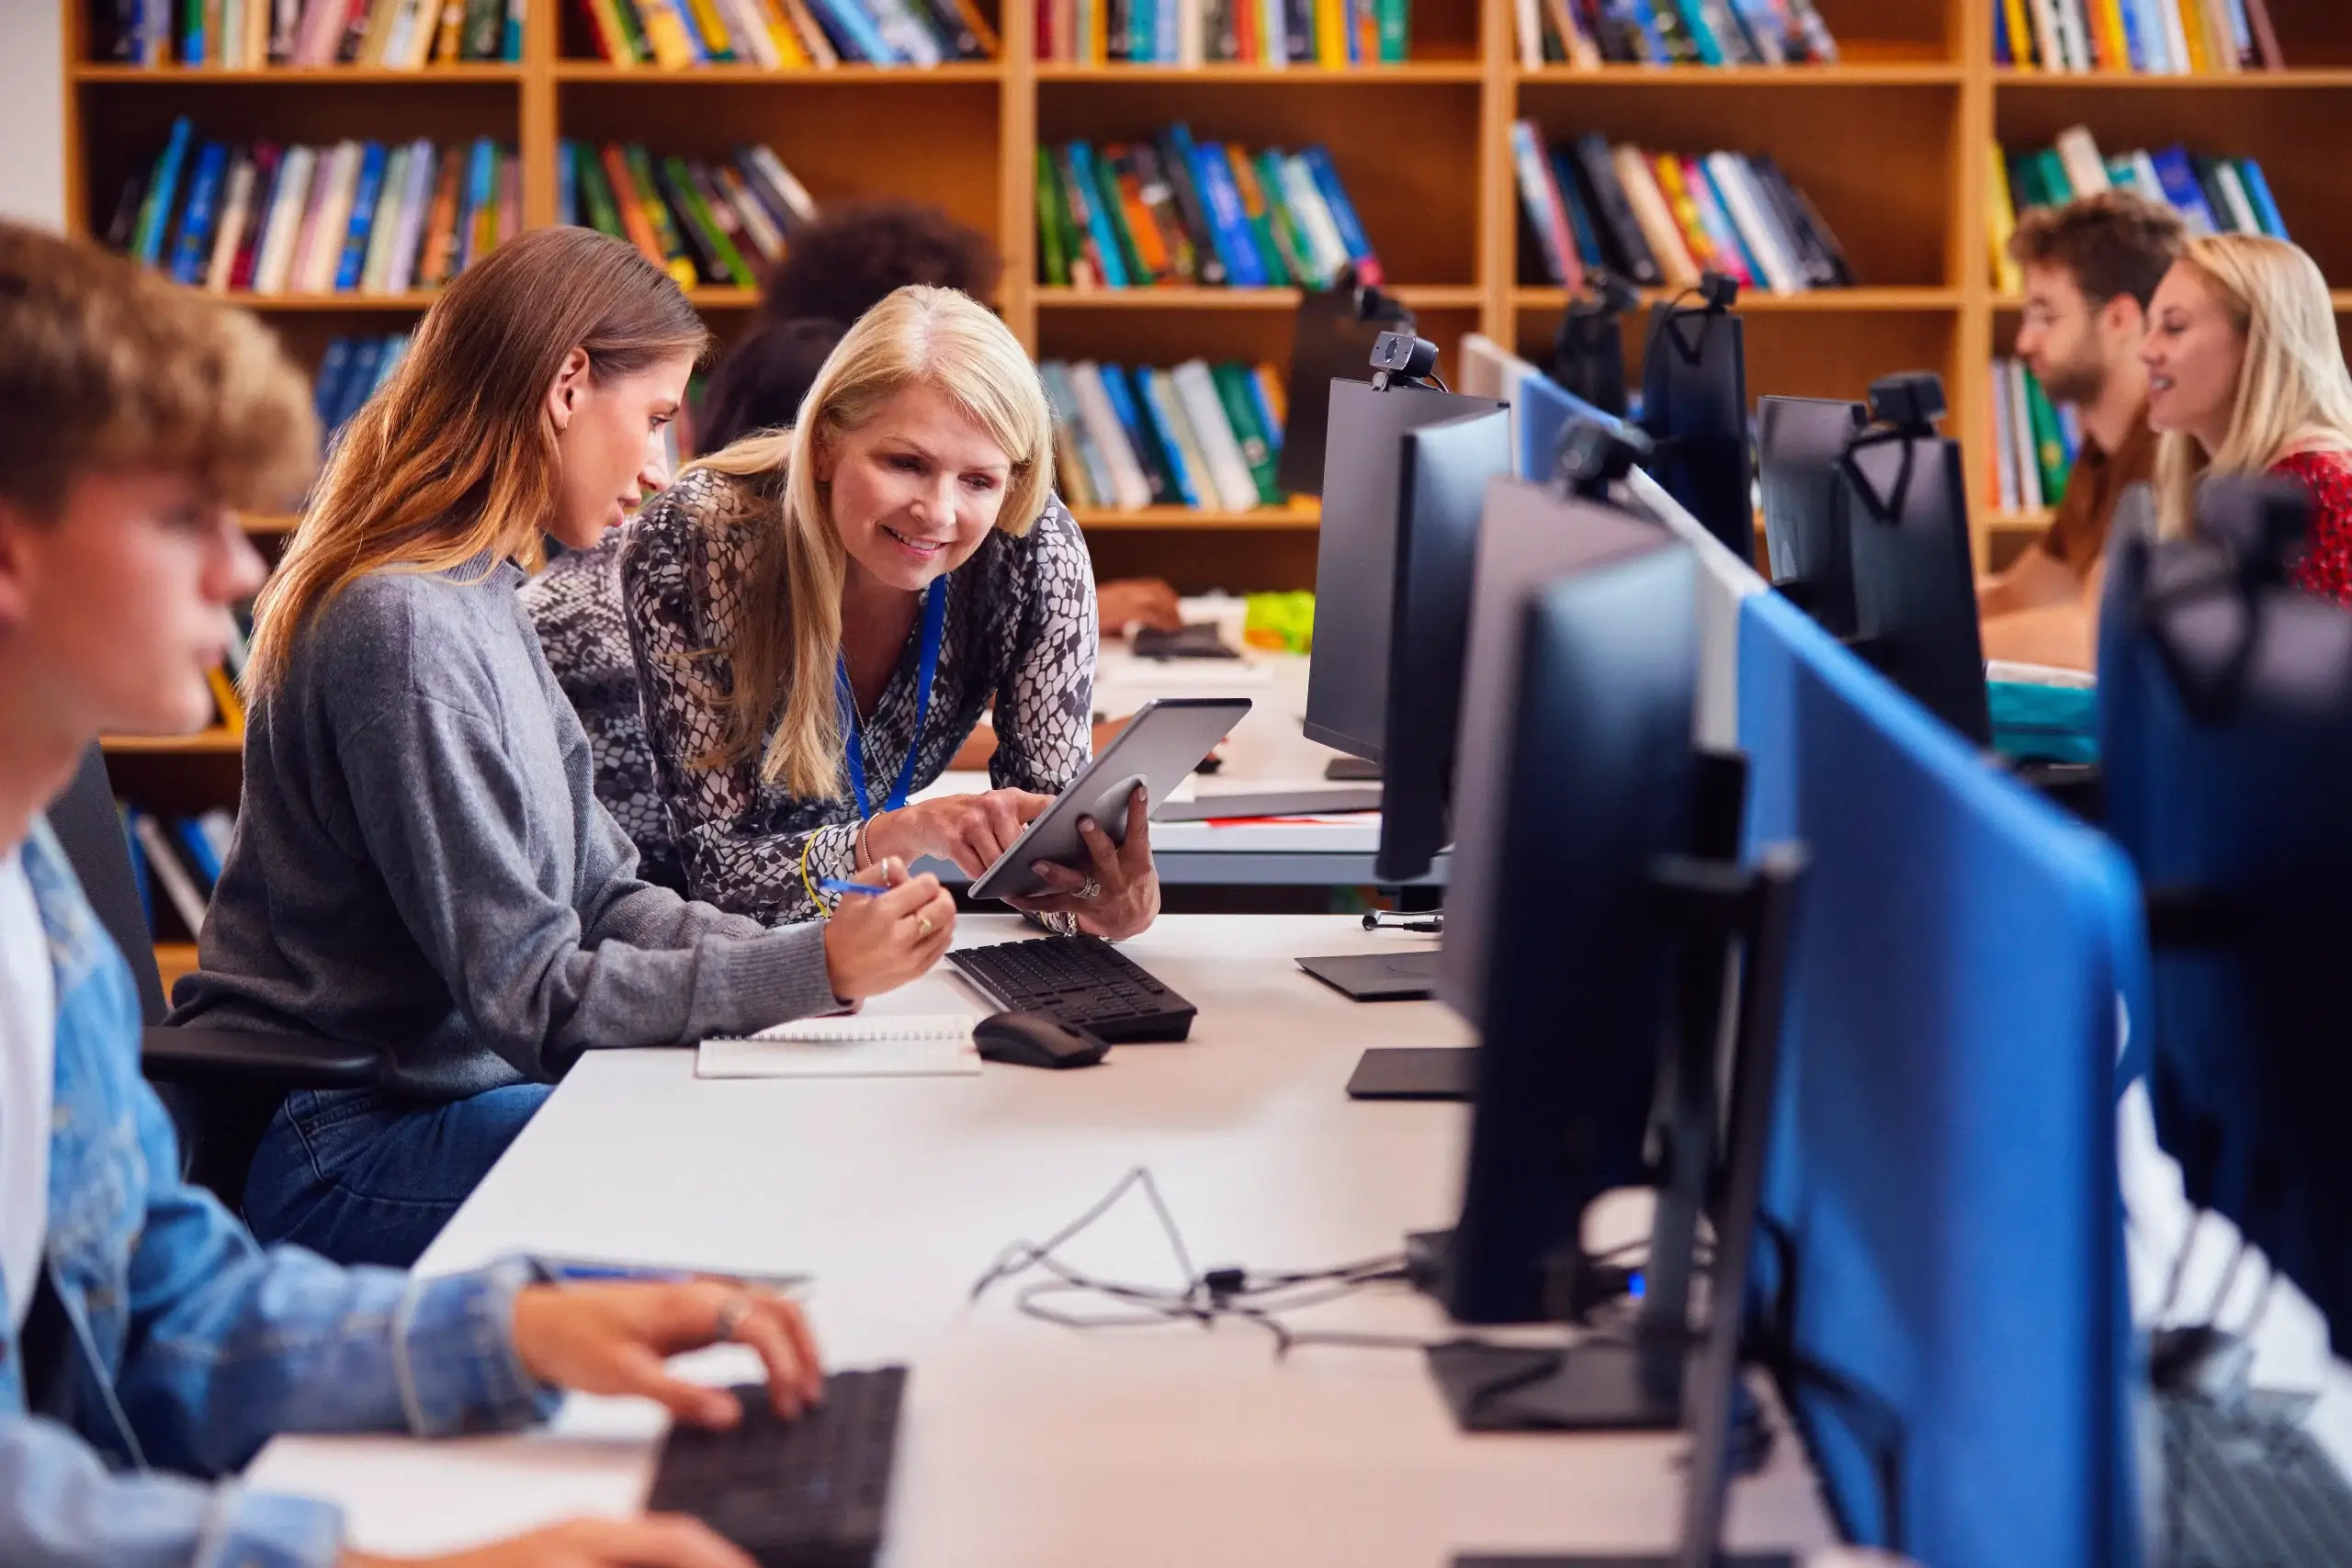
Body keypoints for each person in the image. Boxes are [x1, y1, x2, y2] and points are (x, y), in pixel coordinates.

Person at [0, 218, 821, 1568]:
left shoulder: (44, 918)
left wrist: (511, 1328)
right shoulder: (398, 621)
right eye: (177, 516)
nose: (244, 572)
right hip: (354, 1118)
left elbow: (161, 1306)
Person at [172, 228, 957, 1269]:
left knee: (786, 1133)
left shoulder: (483, 601)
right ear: (568, 384)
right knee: (754, 1174)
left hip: (457, 1101)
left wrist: (812, 958)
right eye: (655, 421)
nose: (659, 468)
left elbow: (609, 897)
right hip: (346, 1144)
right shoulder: (402, 631)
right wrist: (805, 968)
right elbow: (531, 994)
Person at [605, 285, 1165, 941]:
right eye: (905, 463)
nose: (939, 512)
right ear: (822, 446)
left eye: (979, 479)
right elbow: (720, 877)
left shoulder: (1034, 549)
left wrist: (1105, 903)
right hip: (640, 941)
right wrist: (901, 832)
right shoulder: (699, 540)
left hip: (831, 943)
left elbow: (1044, 865)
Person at [1978, 192, 2185, 669]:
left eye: (2045, 316)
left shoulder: (2172, 444)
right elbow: (2022, 594)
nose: (2025, 341)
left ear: (2119, 319)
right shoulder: (2104, 450)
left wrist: (1910, 653)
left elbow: (2094, 639)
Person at [2143, 231, 2352, 604]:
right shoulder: (2221, 486)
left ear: (2258, 340)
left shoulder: (2325, 488)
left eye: (2173, 327)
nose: (2145, 350)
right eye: (2149, 328)